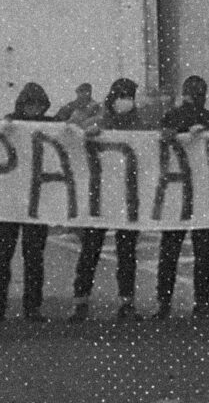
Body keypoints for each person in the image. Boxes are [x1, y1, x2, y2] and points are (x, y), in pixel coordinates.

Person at [70, 78, 145, 322]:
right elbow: (69, 137)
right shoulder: (98, 123)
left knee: (126, 253)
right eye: (122, 96)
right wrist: (84, 135)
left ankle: (127, 301)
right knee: (90, 250)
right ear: (113, 98)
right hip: (99, 198)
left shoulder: (141, 127)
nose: (125, 101)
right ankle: (80, 300)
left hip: (126, 199)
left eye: (129, 96)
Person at [0, 82, 53, 323]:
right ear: (22, 104)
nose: (34, 109)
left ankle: (31, 307)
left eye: (37, 105)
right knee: (2, 256)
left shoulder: (49, 126)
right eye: (29, 104)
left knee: (33, 257)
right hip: (12, 201)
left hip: (33, 202)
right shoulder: (10, 125)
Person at [155, 75, 209, 319]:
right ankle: (199, 301)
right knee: (199, 252)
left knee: (173, 251)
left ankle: (166, 301)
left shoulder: (177, 116)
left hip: (182, 195)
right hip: (194, 194)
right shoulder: (207, 117)